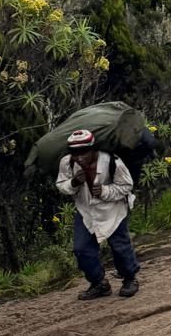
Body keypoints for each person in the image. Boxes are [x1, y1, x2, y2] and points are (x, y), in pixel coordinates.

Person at [56, 129, 140, 301]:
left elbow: (126, 186)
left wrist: (105, 191)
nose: (79, 157)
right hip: (86, 211)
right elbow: (61, 184)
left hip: (113, 210)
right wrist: (73, 182)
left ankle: (130, 279)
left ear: (93, 149)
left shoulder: (111, 161)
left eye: (83, 152)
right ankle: (98, 283)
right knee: (81, 249)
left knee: (120, 247)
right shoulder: (67, 163)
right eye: (75, 153)